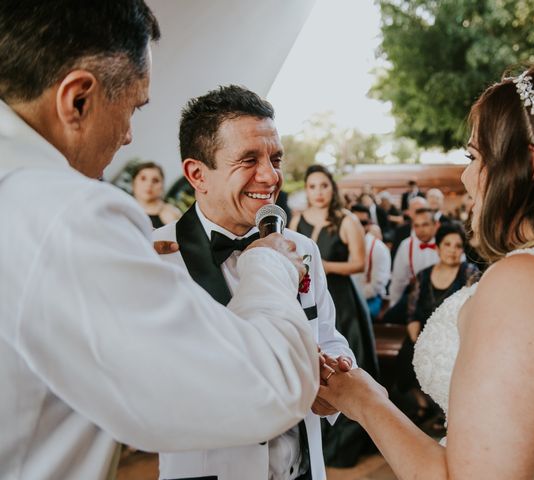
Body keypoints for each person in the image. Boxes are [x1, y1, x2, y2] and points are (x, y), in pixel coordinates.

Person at [0, 2, 320, 479]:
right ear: (78, 100)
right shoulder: (63, 214)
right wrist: (268, 266)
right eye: (132, 107)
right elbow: (262, 389)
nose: (129, 136)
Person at [317, 61, 534, 479]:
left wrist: (363, 399)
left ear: (529, 164)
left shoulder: (528, 283)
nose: (466, 177)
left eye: (473, 156)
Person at [152, 85, 355, 480]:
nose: (271, 175)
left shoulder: (303, 249)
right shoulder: (154, 258)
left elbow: (326, 335)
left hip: (303, 469)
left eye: (275, 158)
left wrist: (337, 373)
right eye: (249, 159)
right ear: (197, 174)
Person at [290, 165, 379, 468]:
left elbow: (358, 263)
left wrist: (321, 265)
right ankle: (315, 442)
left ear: (333, 189)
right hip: (303, 301)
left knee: (343, 363)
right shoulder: (296, 220)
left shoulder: (346, 220)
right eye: (312, 186)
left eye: (324, 186)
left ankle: (347, 445)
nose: (318, 192)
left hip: (341, 299)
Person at [394, 222, 478, 425]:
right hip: (423, 332)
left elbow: (474, 311)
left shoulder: (469, 273)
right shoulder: (424, 275)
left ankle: (445, 410)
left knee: (447, 359)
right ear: (438, 247)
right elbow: (412, 311)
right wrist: (417, 337)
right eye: (447, 244)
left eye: (458, 246)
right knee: (406, 356)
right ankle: (423, 403)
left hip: (453, 334)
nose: (452, 250)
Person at [387, 208, 439, 308]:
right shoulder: (406, 246)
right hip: (416, 298)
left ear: (435, 225)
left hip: (444, 298)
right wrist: (393, 304)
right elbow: (398, 279)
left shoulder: (445, 243)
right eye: (416, 226)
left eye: (425, 224)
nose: (421, 230)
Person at [351, 204, 392, 321]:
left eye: (363, 223)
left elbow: (376, 286)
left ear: (369, 224)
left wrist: (352, 298)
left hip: (371, 299)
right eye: (355, 222)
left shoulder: (378, 248)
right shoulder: (343, 245)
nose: (359, 226)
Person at [130, 161, 181, 228]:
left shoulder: (172, 215)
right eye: (143, 178)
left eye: (155, 180)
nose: (149, 184)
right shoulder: (123, 210)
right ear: (133, 182)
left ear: (162, 186)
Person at [390, 195, 429, 260]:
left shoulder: (433, 230)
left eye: (421, 210)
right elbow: (394, 254)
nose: (418, 213)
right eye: (414, 210)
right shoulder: (401, 230)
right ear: (409, 212)